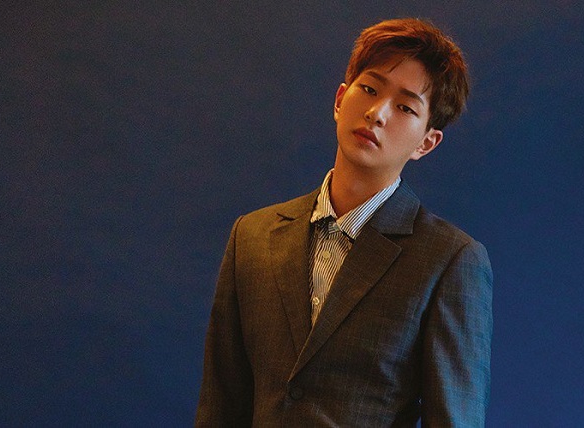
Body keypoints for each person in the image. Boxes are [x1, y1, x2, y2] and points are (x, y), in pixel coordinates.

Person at [195, 18, 493, 427]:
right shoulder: (252, 235)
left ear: (426, 142)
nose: (377, 112)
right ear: (340, 99)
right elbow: (220, 407)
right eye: (369, 89)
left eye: (405, 107)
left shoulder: (449, 261)